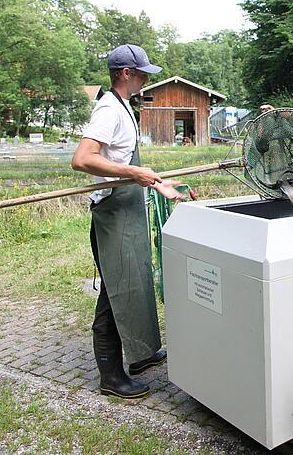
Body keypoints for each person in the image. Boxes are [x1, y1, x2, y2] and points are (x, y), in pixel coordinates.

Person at [71, 44, 183, 399]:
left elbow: (125, 163)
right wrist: (132, 171)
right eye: (142, 72)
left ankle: (139, 355)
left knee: (136, 283)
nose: (147, 78)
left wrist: (161, 184)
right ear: (125, 74)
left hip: (129, 209)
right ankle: (111, 375)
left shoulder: (124, 107)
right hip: (113, 214)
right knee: (115, 291)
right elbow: (82, 159)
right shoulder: (108, 110)